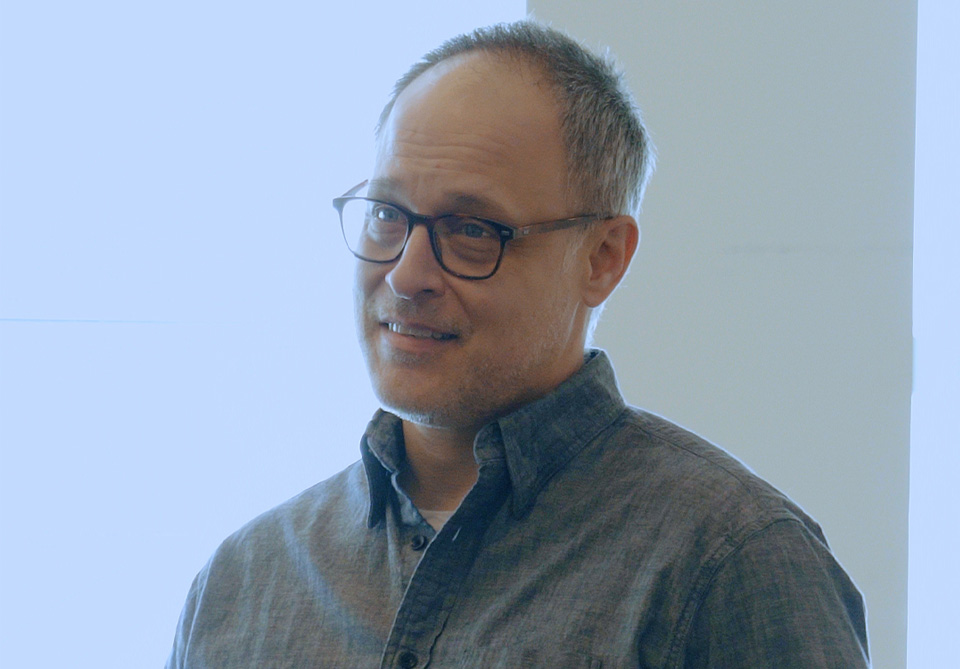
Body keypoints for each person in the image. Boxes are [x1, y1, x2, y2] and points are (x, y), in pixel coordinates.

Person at [167, 21, 869, 668]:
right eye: (387, 214)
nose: (407, 274)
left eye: (473, 229)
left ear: (601, 257)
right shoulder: (244, 580)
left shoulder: (728, 565)